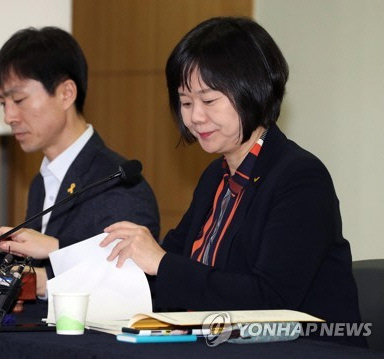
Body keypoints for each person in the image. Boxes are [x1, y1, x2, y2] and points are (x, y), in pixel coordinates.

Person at [100, 17, 364, 346]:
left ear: (254, 91)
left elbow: (270, 300)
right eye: (185, 102)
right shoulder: (216, 176)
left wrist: (161, 263)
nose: (195, 116)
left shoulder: (300, 177)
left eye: (208, 100)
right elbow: (176, 262)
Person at [0, 26, 160, 297]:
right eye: (3, 103)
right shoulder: (41, 182)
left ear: (66, 94)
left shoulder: (117, 182)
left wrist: (51, 265)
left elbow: (130, 284)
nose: (9, 116)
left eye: (19, 99)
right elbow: (31, 268)